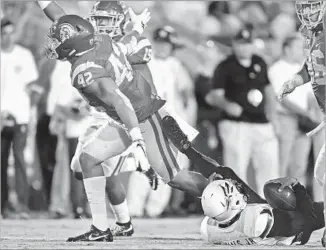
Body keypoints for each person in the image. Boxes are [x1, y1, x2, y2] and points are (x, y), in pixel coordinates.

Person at [38, 3, 209, 242]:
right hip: (123, 118)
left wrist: (137, 140)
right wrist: (137, 28)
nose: (54, 43)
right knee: (87, 161)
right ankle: (101, 228)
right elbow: (62, 17)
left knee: (175, 178)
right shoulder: (99, 40)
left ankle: (221, 196)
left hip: (143, 117)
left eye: (59, 39)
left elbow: (122, 102)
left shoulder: (86, 70)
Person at [206, 25, 279, 196]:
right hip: (236, 124)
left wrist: (273, 115)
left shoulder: (259, 62)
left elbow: (268, 90)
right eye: (241, 44)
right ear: (235, 44)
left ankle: (270, 205)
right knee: (236, 167)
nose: (245, 47)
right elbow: (215, 95)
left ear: (252, 44)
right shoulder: (225, 66)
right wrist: (227, 105)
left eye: (248, 43)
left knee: (269, 164)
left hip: (261, 122)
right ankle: (237, 205)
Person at [277, 0, 325, 246]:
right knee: (321, 175)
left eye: (313, 5)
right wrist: (295, 81)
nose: (308, 11)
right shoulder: (313, 35)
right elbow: (312, 68)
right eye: (304, 6)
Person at [200, 176, 324, 246]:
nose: (235, 185)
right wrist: (297, 187)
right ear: (235, 203)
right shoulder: (260, 220)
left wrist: (214, 187)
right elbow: (309, 222)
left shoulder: (208, 229)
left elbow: (223, 210)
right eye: (233, 188)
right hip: (292, 233)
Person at [1, 18, 39, 219]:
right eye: (4, 33)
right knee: (0, 161)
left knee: (20, 159)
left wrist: (29, 113)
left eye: (10, 32)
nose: (7, 37)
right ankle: (3, 206)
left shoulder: (23, 55)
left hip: (20, 117)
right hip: (0, 117)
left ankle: (23, 206)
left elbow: (32, 88)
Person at [268, 34, 317, 186]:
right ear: (287, 49)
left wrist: (312, 113)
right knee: (282, 164)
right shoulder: (277, 69)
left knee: (299, 166)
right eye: (298, 47)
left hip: (304, 121)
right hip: (286, 119)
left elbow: (310, 94)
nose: (303, 51)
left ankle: (296, 204)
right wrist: (305, 113)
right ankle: (277, 203)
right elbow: (281, 98)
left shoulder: (302, 69)